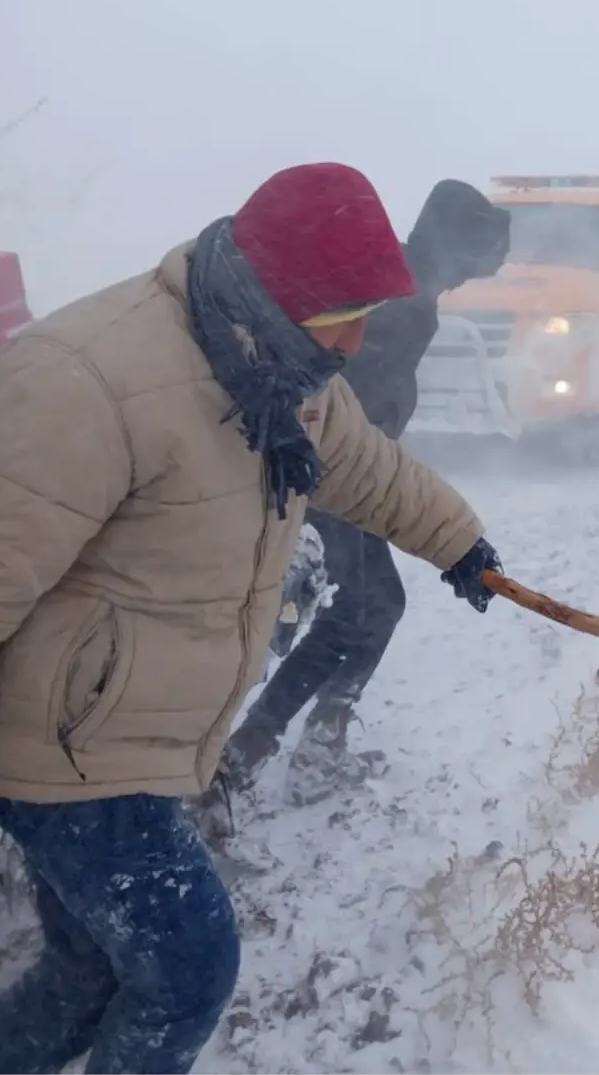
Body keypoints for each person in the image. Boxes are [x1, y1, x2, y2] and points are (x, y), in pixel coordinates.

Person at [0, 163, 502, 1075]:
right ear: (284, 290)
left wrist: (459, 541)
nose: (360, 337)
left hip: (125, 730)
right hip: (64, 746)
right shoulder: (90, 380)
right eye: (346, 312)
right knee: (187, 972)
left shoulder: (279, 363)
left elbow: (365, 468)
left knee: (88, 969)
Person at [218, 179, 510, 804]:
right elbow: (348, 396)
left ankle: (266, 749)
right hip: (324, 476)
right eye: (474, 261)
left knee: (361, 607)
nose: (470, 278)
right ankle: (268, 753)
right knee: (363, 607)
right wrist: (359, 477)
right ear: (457, 249)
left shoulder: (409, 282)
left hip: (323, 471)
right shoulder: (404, 299)